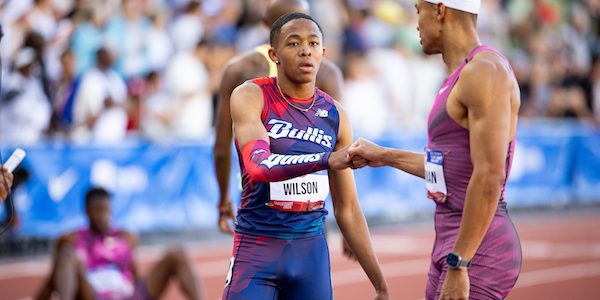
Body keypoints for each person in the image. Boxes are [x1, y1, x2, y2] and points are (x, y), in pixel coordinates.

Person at [348, 1, 522, 299]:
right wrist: (385, 156)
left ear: (440, 11)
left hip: (478, 248)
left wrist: (460, 262)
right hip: (451, 241)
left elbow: (490, 175)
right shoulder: (461, 75)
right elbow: (449, 170)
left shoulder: (485, 71)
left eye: (418, 11)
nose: (416, 24)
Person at [222, 13, 388, 299]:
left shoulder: (336, 115)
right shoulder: (251, 96)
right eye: (294, 43)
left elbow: (347, 209)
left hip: (310, 254)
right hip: (257, 250)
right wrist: (325, 160)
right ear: (274, 54)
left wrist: (380, 284)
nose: (305, 51)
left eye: (313, 43)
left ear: (323, 53)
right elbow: (258, 166)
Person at [212, 0, 343, 235]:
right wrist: (346, 217)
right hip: (307, 202)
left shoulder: (239, 69)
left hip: (258, 200)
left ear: (265, 24)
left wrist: (223, 203)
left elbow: (221, 148)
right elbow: (340, 147)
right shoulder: (327, 72)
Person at [35, 187, 203, 300]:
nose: (103, 216)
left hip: (128, 294)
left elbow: (135, 274)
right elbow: (54, 278)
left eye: (106, 210)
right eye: (97, 210)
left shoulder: (127, 236)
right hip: (94, 293)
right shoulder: (71, 238)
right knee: (66, 256)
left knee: (177, 253)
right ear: (86, 210)